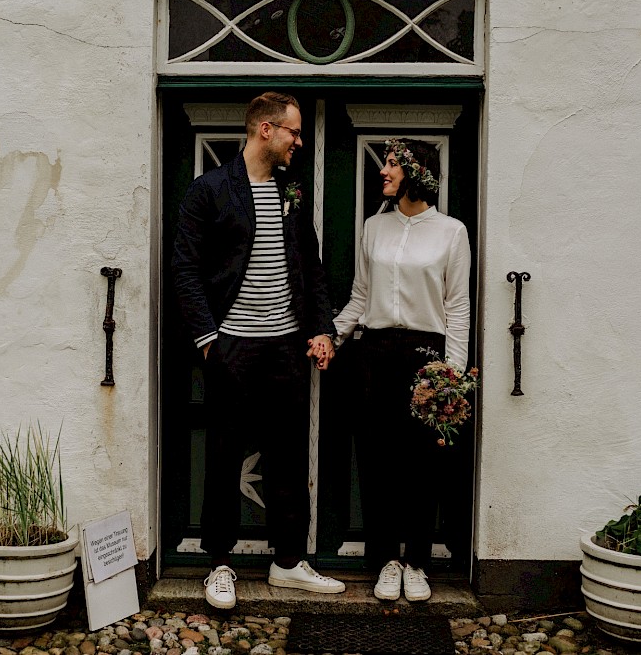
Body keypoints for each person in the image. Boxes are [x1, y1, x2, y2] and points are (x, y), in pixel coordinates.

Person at [171, 91, 344, 610]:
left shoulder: (291, 191)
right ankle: (219, 563)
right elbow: (185, 269)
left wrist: (321, 328)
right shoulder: (210, 190)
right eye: (293, 131)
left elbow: (310, 267)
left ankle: (288, 563)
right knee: (223, 455)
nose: (299, 139)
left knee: (289, 459)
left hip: (286, 351)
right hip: (233, 350)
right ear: (265, 130)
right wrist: (208, 339)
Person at [333, 138, 471, 603]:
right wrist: (329, 336)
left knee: (422, 464)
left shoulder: (452, 232)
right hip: (373, 353)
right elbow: (359, 294)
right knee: (377, 462)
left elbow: (457, 308)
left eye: (392, 164)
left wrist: (451, 377)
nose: (383, 171)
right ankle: (385, 561)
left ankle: (417, 561)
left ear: (416, 173)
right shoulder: (374, 227)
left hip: (425, 357)